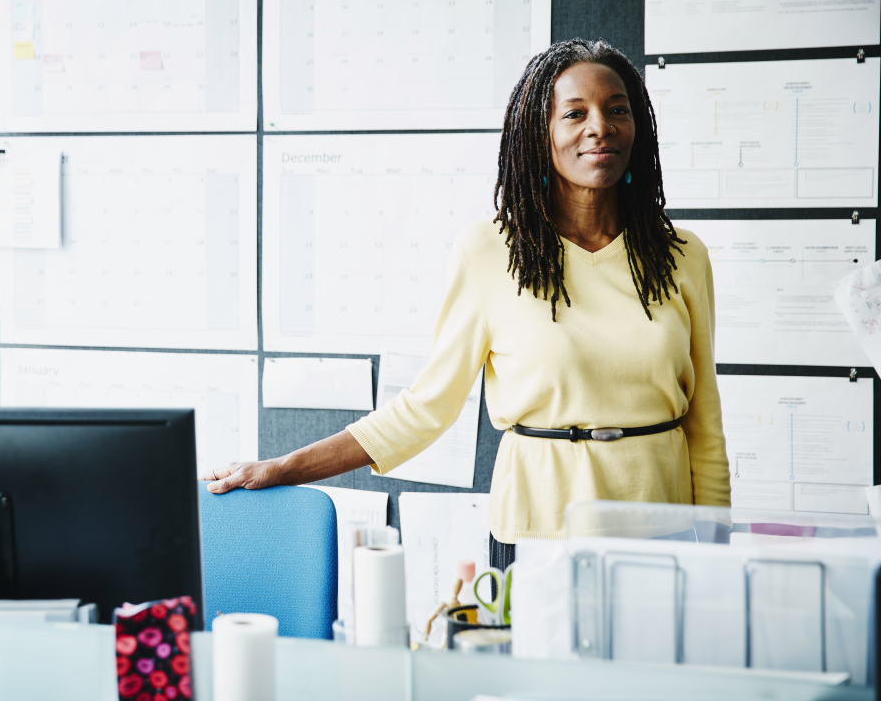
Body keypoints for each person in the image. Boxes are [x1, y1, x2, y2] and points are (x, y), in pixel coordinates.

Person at [201, 39, 731, 571]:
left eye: (618, 110)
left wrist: (717, 554)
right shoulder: (490, 252)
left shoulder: (682, 256)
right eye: (574, 113)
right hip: (539, 531)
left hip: (664, 532)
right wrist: (283, 467)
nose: (601, 126)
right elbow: (427, 407)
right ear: (538, 133)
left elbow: (704, 425)